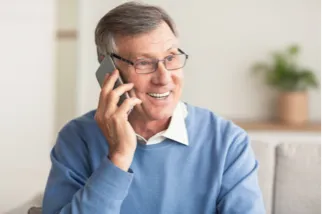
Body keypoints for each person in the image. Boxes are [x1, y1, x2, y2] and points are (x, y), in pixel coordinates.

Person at [42, 2, 265, 214]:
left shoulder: (227, 142)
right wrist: (118, 158)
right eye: (144, 63)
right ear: (108, 69)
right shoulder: (76, 139)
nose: (164, 78)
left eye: (170, 57)